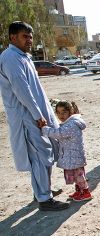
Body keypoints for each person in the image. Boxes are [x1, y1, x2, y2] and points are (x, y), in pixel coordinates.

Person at [0, 21, 69, 211]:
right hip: (27, 116)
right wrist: (38, 115)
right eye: (25, 36)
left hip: (35, 114)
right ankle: (44, 199)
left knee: (44, 153)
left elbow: (34, 90)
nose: (29, 40)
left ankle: (42, 191)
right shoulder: (11, 58)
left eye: (30, 36)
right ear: (12, 37)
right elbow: (22, 90)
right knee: (39, 156)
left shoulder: (23, 57)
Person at [42, 101, 92, 202]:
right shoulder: (69, 123)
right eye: (58, 113)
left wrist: (44, 129)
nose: (61, 115)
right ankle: (79, 191)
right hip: (71, 155)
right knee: (75, 176)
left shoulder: (72, 124)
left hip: (75, 156)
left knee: (79, 176)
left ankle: (86, 193)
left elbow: (59, 133)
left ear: (70, 112)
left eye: (64, 112)